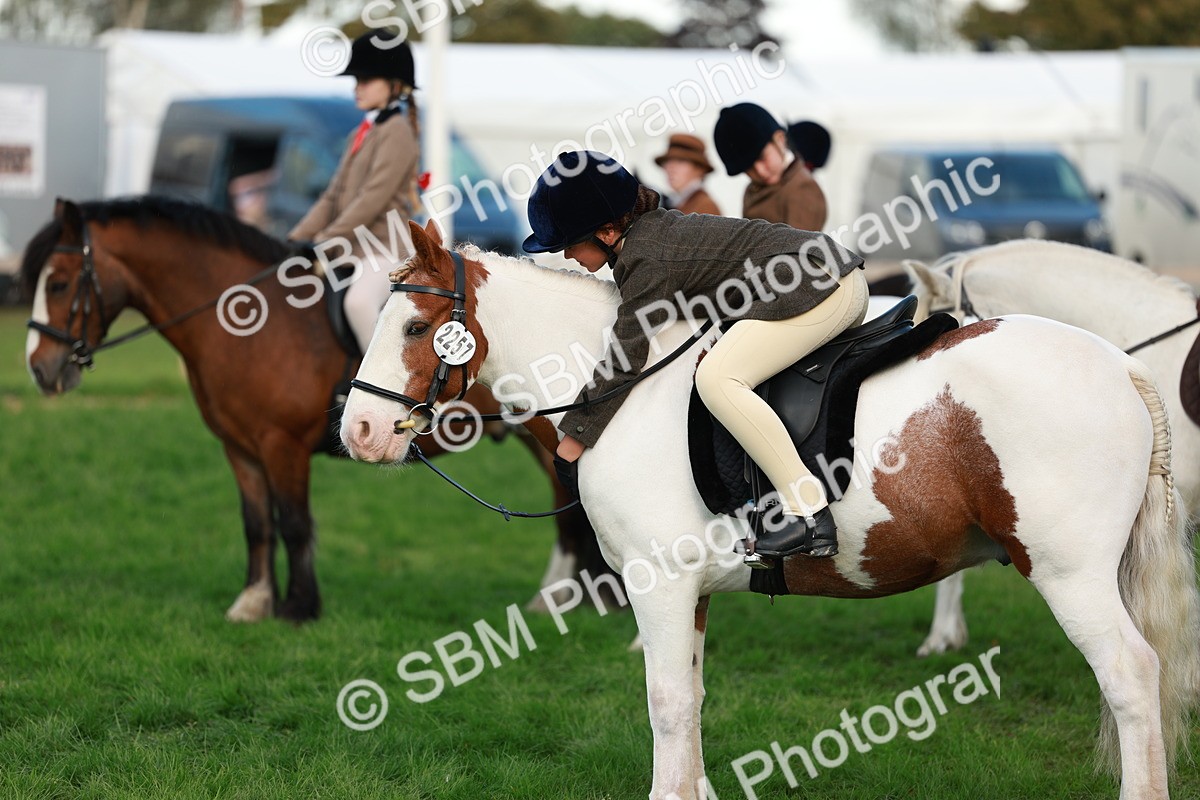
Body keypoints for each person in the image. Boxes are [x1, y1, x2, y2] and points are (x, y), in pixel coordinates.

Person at [524, 151, 868, 562]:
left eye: (569, 244)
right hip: (825, 276)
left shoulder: (647, 258)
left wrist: (575, 436)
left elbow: (625, 358)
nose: (567, 256)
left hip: (821, 286)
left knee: (717, 380)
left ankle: (808, 513)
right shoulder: (652, 237)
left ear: (608, 231)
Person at [289, 29, 421, 354]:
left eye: (366, 79)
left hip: (384, 248)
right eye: (356, 79)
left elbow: (372, 199)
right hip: (353, 246)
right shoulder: (360, 133)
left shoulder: (398, 133)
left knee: (358, 303)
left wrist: (324, 240)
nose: (356, 87)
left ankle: (380, 377)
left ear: (395, 85)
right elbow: (332, 196)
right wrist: (296, 238)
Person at [713, 102, 827, 231]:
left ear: (780, 139)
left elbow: (802, 243)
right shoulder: (754, 189)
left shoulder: (803, 190)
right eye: (748, 168)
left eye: (762, 157)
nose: (760, 171)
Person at [654, 133, 721, 216]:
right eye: (667, 162)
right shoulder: (678, 203)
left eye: (680, 161)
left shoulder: (706, 207)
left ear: (699, 169)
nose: (671, 168)